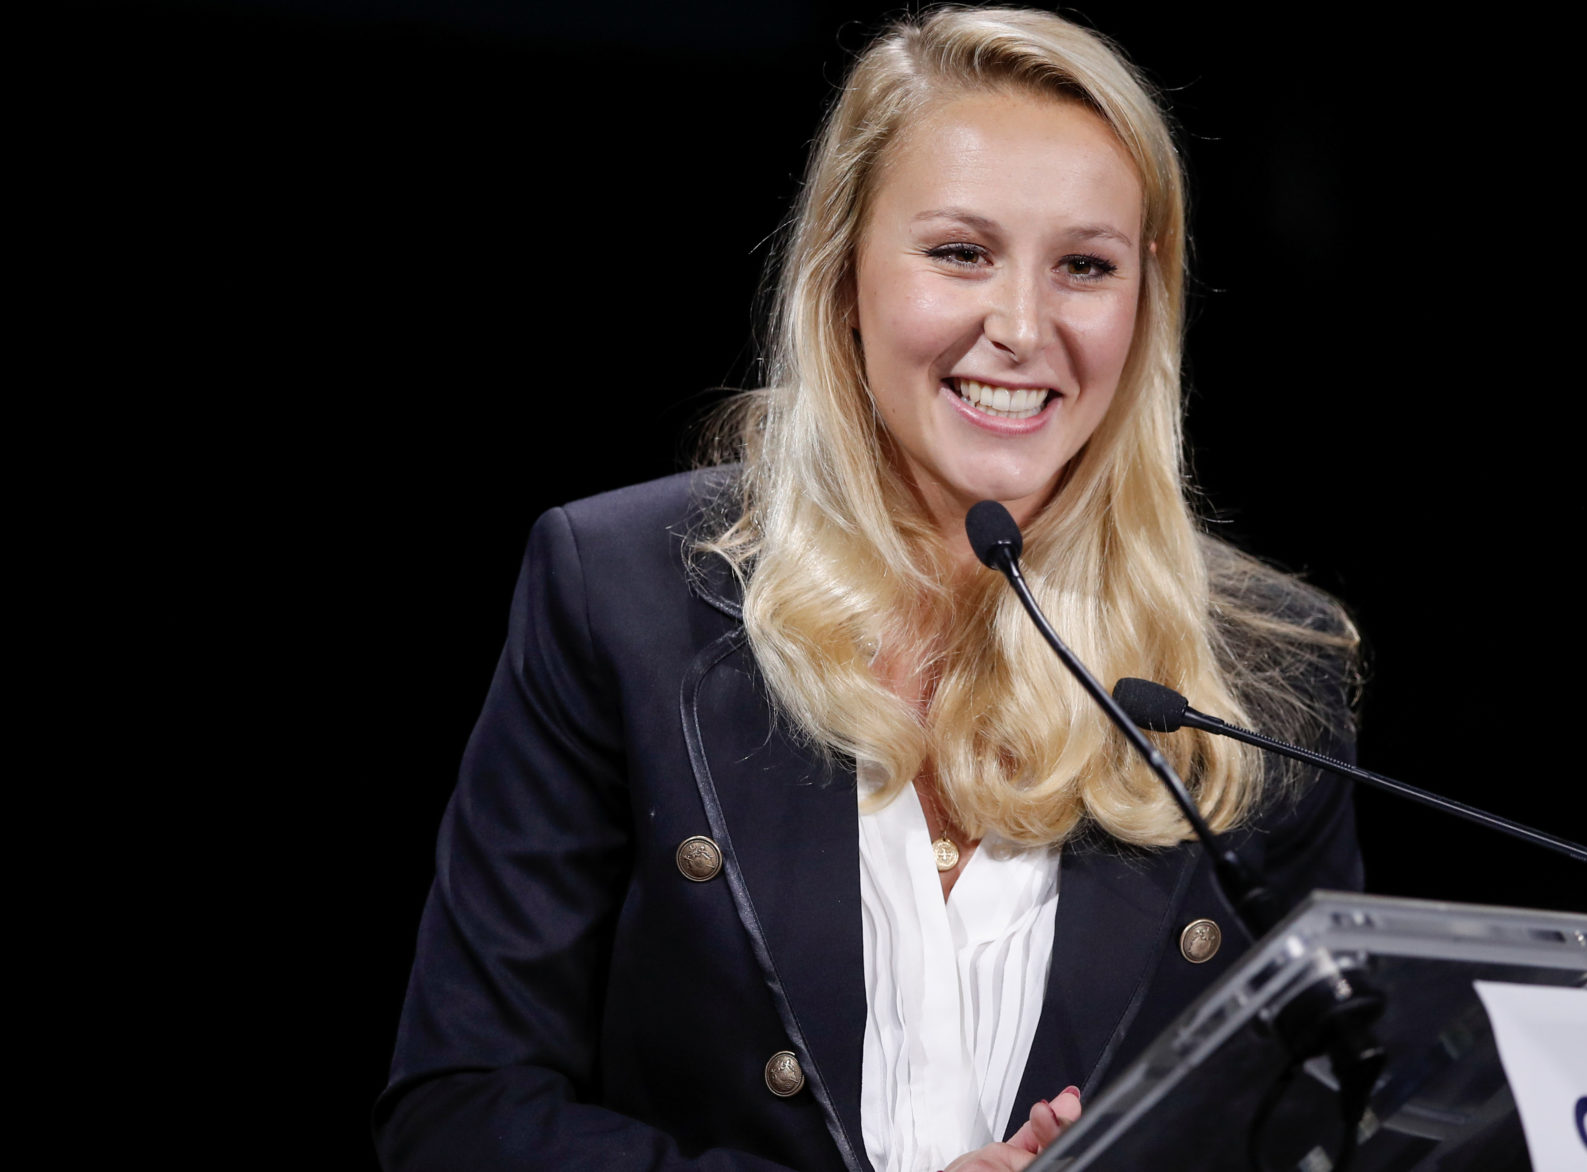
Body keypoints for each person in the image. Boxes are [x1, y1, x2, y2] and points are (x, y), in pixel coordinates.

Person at [375, 7, 1364, 1171]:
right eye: (960, 253)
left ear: (1146, 301)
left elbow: (1326, 1128)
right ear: (843, 273)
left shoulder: (1258, 671)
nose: (1021, 327)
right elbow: (462, 1110)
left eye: (1084, 267)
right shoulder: (621, 596)